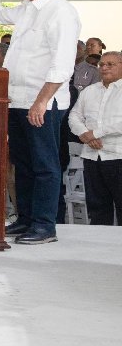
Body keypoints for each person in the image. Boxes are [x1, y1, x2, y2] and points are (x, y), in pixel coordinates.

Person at [0, 0, 80, 244]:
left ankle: (45, 226)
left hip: (42, 104)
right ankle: (26, 219)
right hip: (16, 101)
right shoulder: (27, 9)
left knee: (45, 165)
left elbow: (62, 65)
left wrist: (41, 101)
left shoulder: (62, 12)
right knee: (23, 163)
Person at [67, 52, 122, 226]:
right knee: (97, 206)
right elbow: (73, 116)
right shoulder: (90, 91)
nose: (104, 68)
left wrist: (95, 133)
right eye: (102, 64)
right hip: (92, 157)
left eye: (110, 64)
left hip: (117, 155)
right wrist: (84, 134)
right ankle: (99, 247)